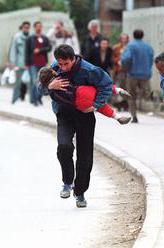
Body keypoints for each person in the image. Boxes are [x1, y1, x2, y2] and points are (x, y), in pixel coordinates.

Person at [40, 44, 112, 208]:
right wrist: (49, 87)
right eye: (60, 64)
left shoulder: (89, 70)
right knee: (64, 147)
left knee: (85, 156)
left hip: (85, 114)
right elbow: (39, 88)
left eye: (66, 64)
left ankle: (80, 192)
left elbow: (107, 85)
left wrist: (96, 104)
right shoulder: (53, 69)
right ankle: (67, 181)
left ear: (73, 59)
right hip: (64, 115)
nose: (63, 68)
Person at [38, 67, 131, 124]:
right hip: (81, 91)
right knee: (98, 90)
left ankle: (117, 117)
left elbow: (41, 89)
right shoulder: (61, 75)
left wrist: (49, 88)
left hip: (78, 104)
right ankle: (117, 90)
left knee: (101, 107)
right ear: (52, 71)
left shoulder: (53, 94)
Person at [121, 29, 154, 123]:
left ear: (133, 36)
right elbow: (151, 60)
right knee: (145, 91)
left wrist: (125, 68)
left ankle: (134, 116)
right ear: (142, 36)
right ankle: (146, 95)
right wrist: (147, 68)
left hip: (132, 74)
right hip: (145, 74)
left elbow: (126, 58)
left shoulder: (130, 46)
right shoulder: (148, 47)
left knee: (131, 95)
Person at [25, 21, 51, 106]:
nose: (39, 28)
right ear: (34, 27)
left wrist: (40, 50)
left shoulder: (44, 38)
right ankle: (34, 99)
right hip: (32, 63)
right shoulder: (30, 38)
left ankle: (38, 98)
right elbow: (26, 51)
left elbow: (49, 48)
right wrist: (26, 64)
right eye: (37, 26)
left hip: (42, 62)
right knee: (34, 81)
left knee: (42, 81)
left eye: (40, 26)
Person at [8, 21, 30, 104]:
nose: (26, 29)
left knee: (28, 83)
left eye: (28, 27)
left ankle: (27, 101)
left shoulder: (30, 37)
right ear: (22, 27)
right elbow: (13, 50)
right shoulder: (17, 37)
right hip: (19, 64)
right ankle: (13, 100)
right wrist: (12, 63)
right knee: (18, 83)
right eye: (25, 27)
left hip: (28, 64)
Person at [111, 33, 129, 111]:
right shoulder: (116, 47)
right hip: (119, 69)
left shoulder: (130, 47)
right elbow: (112, 58)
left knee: (127, 86)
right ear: (120, 39)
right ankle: (118, 103)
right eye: (122, 38)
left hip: (128, 70)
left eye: (125, 38)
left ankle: (125, 103)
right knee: (119, 86)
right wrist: (118, 59)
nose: (124, 40)